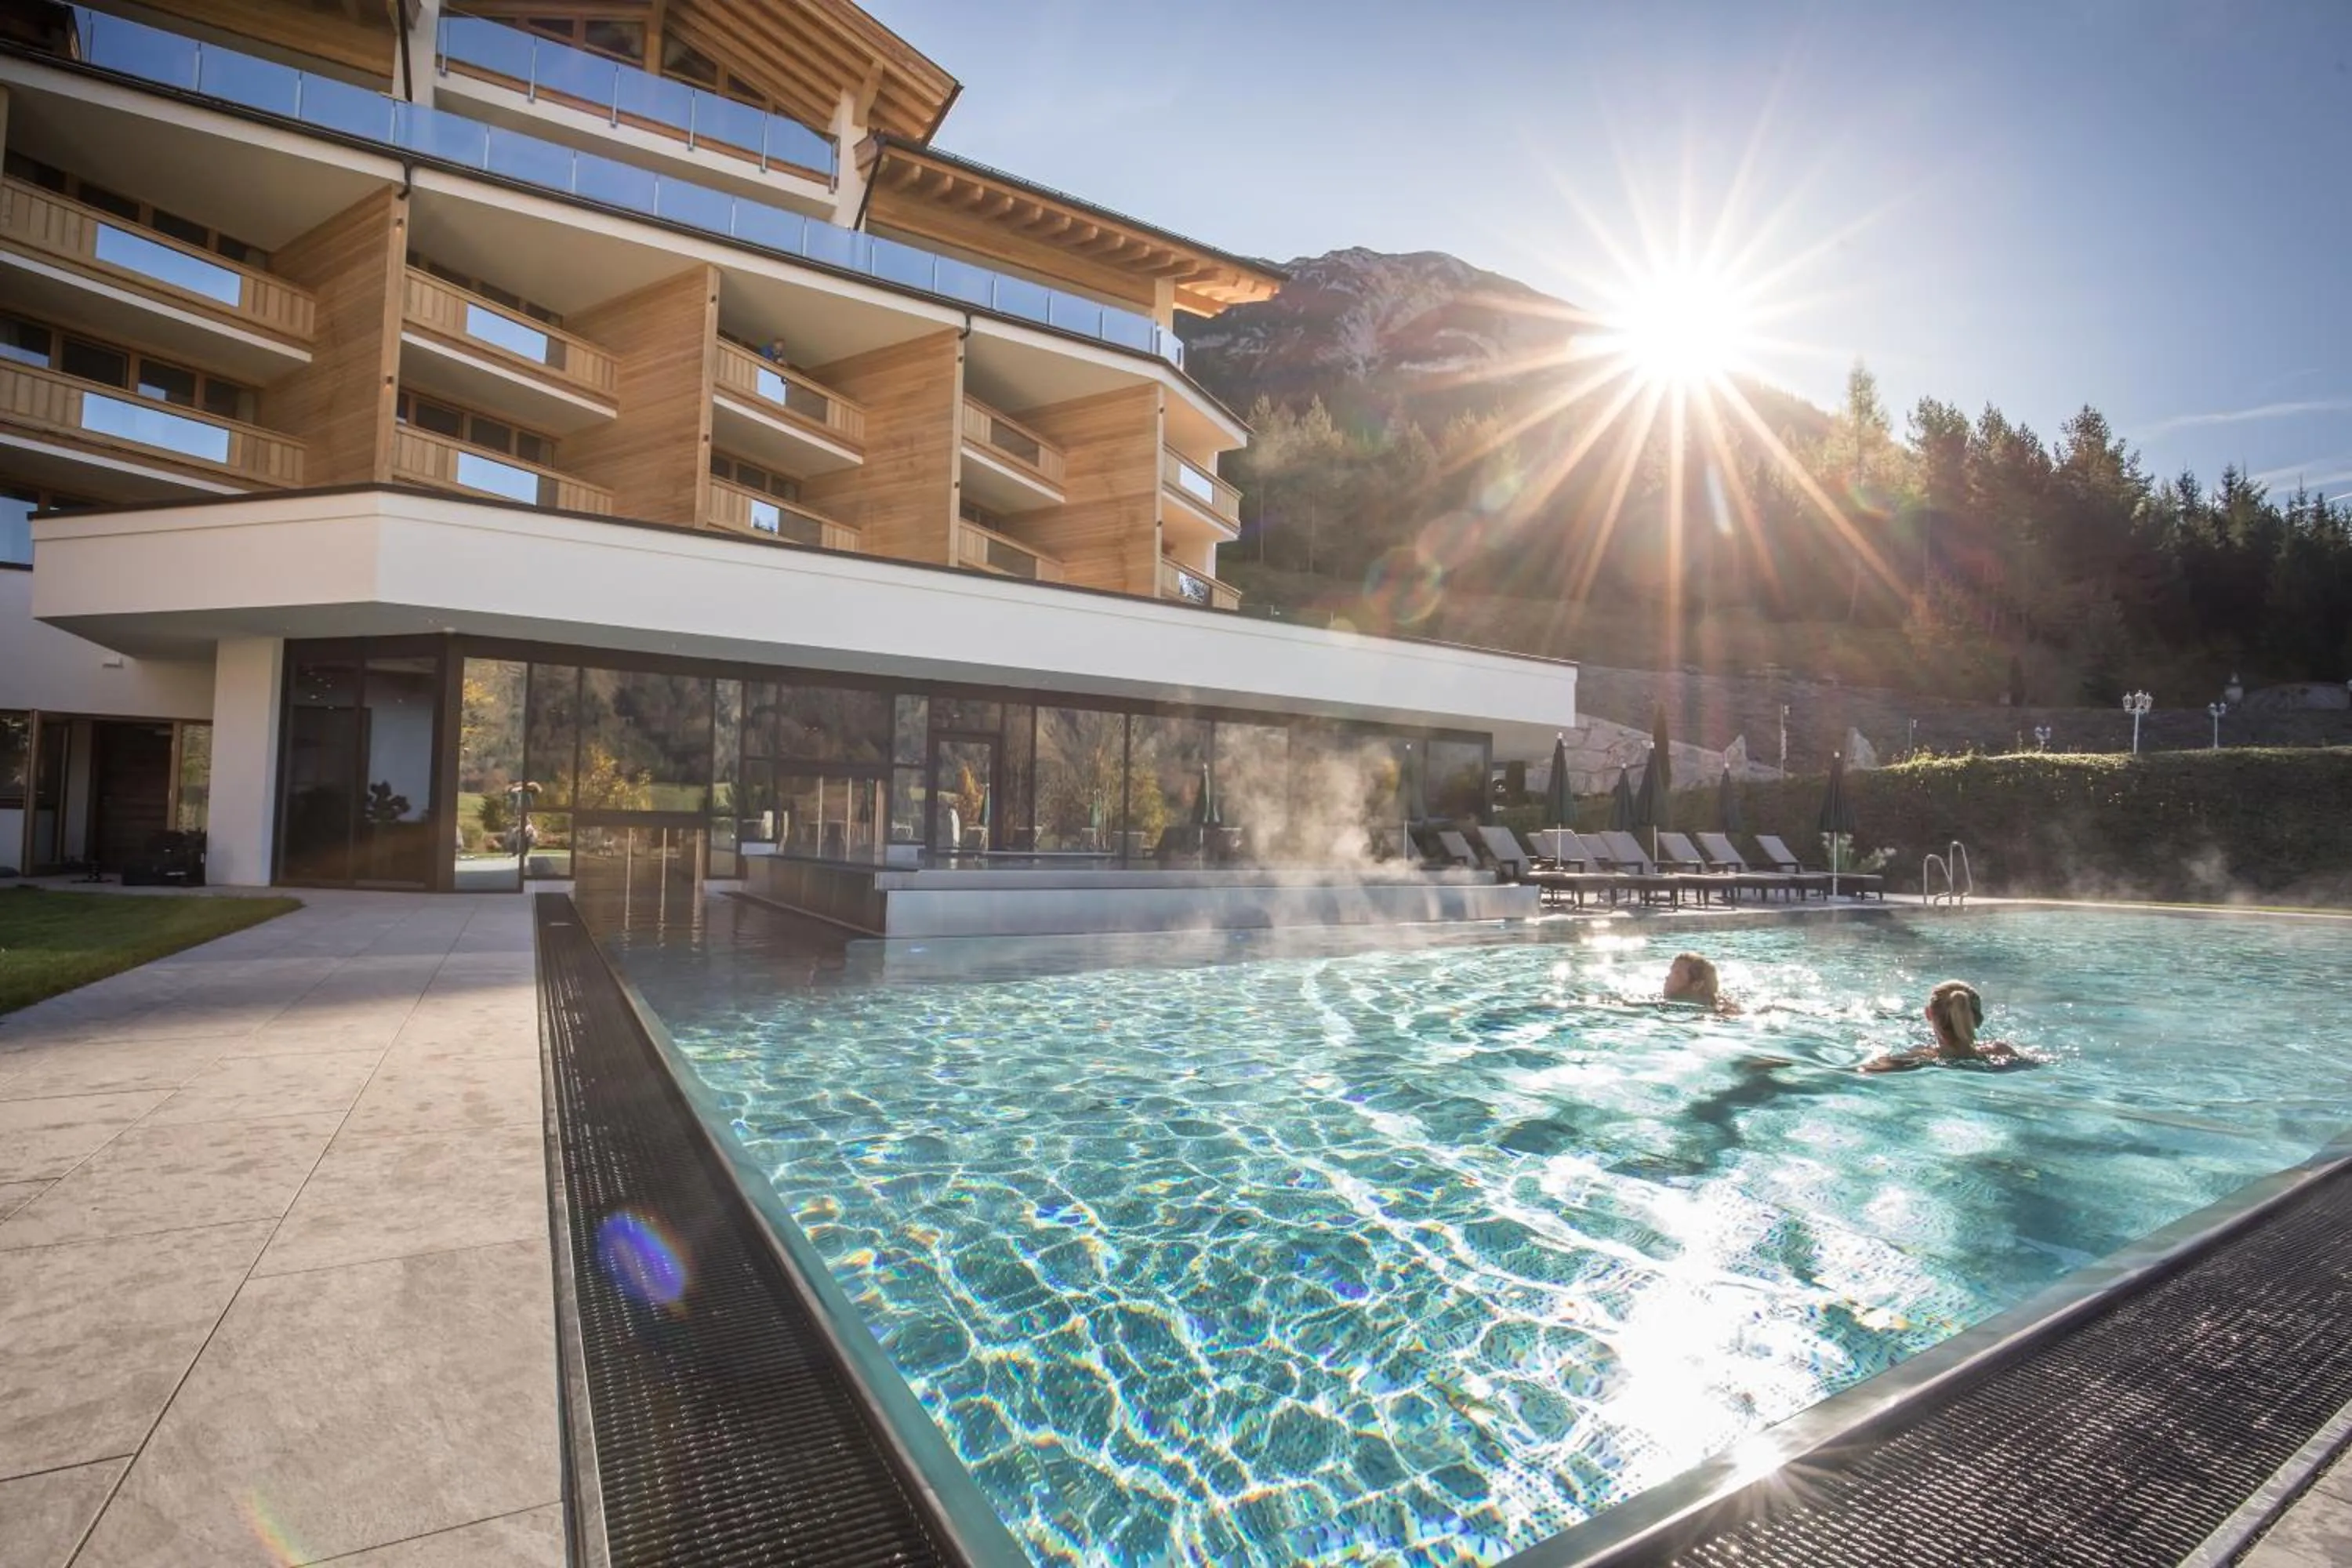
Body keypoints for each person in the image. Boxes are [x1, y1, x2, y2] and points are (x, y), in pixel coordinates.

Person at [1860, 980, 2029, 1072]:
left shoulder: (1918, 1058)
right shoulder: (2002, 1051)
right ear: (1978, 1019)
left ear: (1928, 1014)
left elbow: (1862, 1071)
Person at [1662, 952, 1740, 1014]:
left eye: (1676, 974)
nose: (1667, 978)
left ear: (1696, 985)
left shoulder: (1719, 1014)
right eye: (1671, 972)